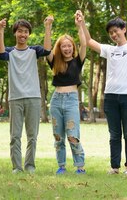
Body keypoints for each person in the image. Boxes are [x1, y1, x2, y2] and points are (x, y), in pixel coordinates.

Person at [81, 0, 127, 176]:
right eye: (110, 32)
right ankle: (114, 167)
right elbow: (87, 41)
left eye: (116, 31)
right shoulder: (109, 50)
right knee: (114, 135)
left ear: (124, 29)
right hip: (110, 97)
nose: (113, 34)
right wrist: (81, 24)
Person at [0, 16, 52, 174]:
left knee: (32, 136)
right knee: (15, 136)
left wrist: (47, 27)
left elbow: (47, 50)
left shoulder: (34, 51)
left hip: (33, 98)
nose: (23, 34)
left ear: (29, 34)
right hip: (15, 98)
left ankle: (30, 166)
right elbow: (0, 54)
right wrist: (0, 30)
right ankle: (17, 167)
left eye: (26, 32)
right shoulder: (10, 52)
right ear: (15, 33)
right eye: (20, 31)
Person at [46, 10, 87, 175]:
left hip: (71, 100)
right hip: (56, 100)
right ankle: (61, 166)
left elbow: (84, 44)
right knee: (58, 136)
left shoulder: (78, 61)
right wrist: (48, 27)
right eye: (64, 46)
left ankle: (80, 166)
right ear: (60, 48)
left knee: (72, 135)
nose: (67, 48)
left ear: (73, 47)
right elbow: (47, 48)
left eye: (69, 45)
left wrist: (80, 26)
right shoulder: (55, 62)